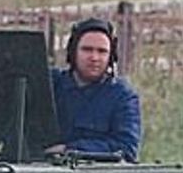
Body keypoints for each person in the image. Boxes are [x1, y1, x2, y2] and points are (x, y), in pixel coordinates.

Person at [50, 17, 142, 161]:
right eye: (87, 50)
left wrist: (70, 149)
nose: (94, 57)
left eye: (102, 51)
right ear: (73, 52)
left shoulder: (122, 97)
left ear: (111, 57)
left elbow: (127, 148)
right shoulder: (51, 85)